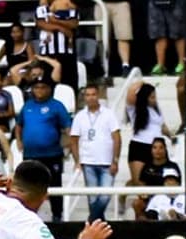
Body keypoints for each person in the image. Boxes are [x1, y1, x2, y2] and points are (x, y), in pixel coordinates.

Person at [14, 75, 70, 222]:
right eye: (36, 87)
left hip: (52, 154)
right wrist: (19, 141)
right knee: (28, 186)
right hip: (30, 154)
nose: (39, 90)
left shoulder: (56, 106)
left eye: (43, 87)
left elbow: (67, 128)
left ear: (49, 89)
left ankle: (57, 216)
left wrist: (67, 145)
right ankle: (27, 216)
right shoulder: (28, 106)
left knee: (55, 185)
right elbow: (19, 125)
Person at [70, 84, 120, 221]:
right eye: (88, 95)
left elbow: (116, 137)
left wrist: (115, 160)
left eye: (93, 94)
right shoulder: (80, 116)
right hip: (88, 163)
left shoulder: (109, 114)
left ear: (98, 96)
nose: (91, 98)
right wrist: (77, 161)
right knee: (92, 199)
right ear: (84, 97)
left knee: (104, 196)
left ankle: (91, 221)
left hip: (107, 162)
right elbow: (73, 139)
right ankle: (98, 225)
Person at [126, 82, 172, 201]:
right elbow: (131, 91)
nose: (154, 99)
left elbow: (162, 126)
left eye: (155, 96)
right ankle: (124, 195)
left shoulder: (157, 110)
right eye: (151, 97)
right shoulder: (134, 108)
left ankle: (126, 188)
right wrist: (143, 83)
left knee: (153, 178)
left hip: (156, 146)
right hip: (139, 146)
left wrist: (171, 137)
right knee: (139, 182)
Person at [131, 137, 180, 220]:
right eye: (155, 147)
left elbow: (178, 184)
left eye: (161, 147)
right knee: (137, 203)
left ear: (165, 149)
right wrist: (144, 195)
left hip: (169, 197)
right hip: (150, 198)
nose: (158, 150)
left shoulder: (172, 166)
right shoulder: (147, 167)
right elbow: (142, 185)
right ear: (151, 150)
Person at [34, 0, 78, 91]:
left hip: (67, 53)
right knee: (47, 84)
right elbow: (41, 24)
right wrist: (62, 28)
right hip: (47, 53)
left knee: (69, 84)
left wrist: (54, 20)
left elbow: (73, 24)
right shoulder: (41, 9)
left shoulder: (71, 7)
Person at [148, 0, 186, 75]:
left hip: (176, 3)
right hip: (155, 4)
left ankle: (182, 63)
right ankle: (160, 65)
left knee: (178, 32)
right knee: (158, 33)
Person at [97, 0, 132, 77]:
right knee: (102, 37)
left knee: (124, 35)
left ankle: (125, 65)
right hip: (101, 3)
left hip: (121, 3)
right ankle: (103, 66)